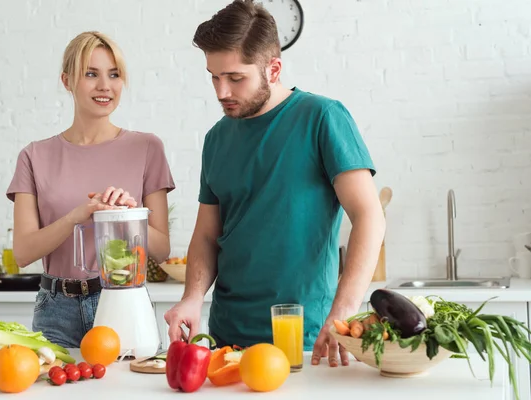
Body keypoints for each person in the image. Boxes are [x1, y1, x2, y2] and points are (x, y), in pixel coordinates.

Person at [164, 0, 385, 368]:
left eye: (235, 78)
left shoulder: (322, 118)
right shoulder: (216, 138)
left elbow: (369, 217)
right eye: (214, 77)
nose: (222, 91)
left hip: (306, 339)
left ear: (273, 68)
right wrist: (192, 297)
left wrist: (343, 311)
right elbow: (206, 235)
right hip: (225, 341)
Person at [6, 31, 175, 348]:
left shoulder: (147, 148)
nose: (105, 86)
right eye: (91, 74)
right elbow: (23, 253)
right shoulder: (34, 156)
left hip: (122, 303)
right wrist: (78, 215)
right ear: (67, 81)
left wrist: (127, 218)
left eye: (114, 75)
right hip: (55, 311)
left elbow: (163, 250)